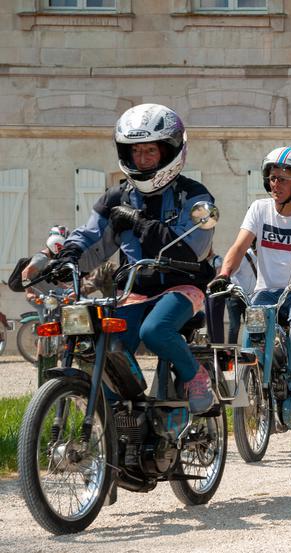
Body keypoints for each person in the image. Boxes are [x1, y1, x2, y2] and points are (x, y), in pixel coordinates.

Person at [49, 103, 218, 412]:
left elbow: (192, 248)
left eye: (150, 152)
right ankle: (123, 417)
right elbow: (91, 236)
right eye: (135, 152)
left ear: (169, 152)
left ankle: (196, 376)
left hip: (182, 287)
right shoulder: (116, 197)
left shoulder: (194, 196)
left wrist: (140, 223)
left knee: (154, 331)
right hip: (133, 291)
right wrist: (68, 258)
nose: (141, 160)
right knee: (105, 345)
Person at [208, 146, 291, 421]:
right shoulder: (259, 209)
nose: (276, 184)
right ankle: (259, 385)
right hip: (265, 292)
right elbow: (239, 247)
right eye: (273, 178)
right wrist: (223, 275)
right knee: (251, 336)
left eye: (284, 179)